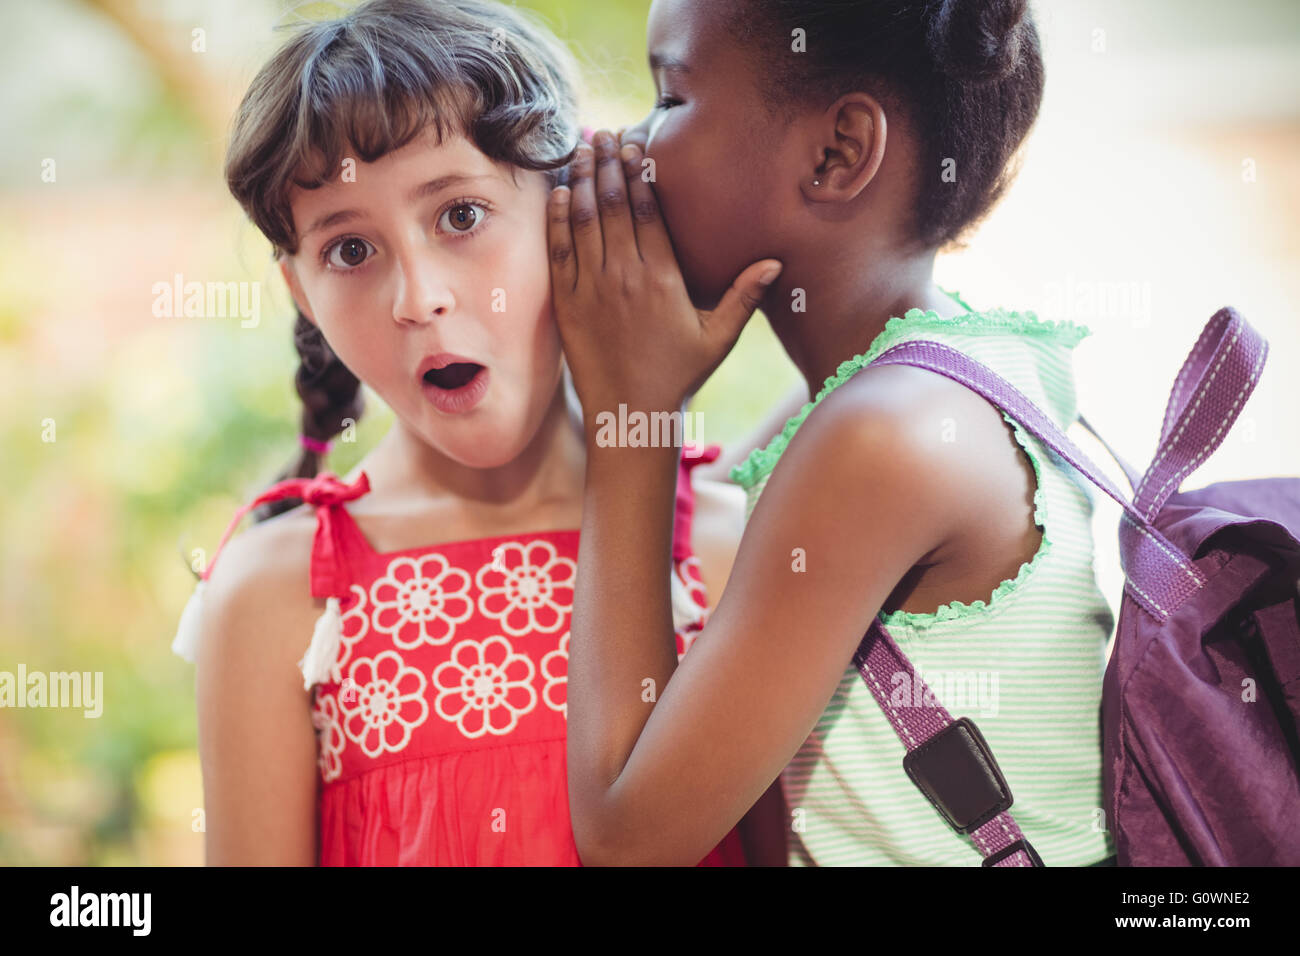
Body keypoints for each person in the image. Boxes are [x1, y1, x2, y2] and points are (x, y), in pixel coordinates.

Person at [171, 0, 783, 866]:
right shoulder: (278, 601)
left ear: (570, 207)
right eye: (350, 250)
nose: (418, 297)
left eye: (460, 215)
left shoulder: (728, 557)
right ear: (301, 292)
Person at [548, 0, 1118, 866]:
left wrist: (634, 415)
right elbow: (695, 548)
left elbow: (628, 838)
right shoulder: (941, 364)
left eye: (669, 98)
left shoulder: (885, 435)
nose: (624, 148)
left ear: (837, 152)